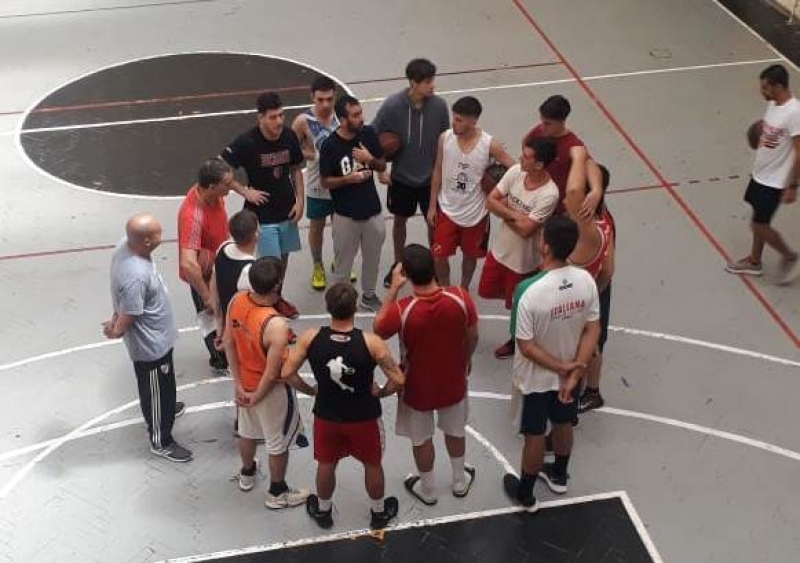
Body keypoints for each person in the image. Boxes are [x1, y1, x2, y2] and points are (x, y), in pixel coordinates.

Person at [281, 283, 406, 530]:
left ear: (328, 308)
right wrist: (380, 393)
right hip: (363, 417)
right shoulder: (372, 343)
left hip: (327, 415)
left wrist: (311, 390)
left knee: (326, 463)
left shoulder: (310, 337)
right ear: (354, 309)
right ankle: (378, 513)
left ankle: (324, 511)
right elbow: (399, 379)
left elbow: (287, 373)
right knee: (372, 464)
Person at [503, 216, 600, 513]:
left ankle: (526, 494)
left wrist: (560, 366)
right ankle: (559, 474)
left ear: (545, 246)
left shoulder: (529, 291)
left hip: (535, 378)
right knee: (563, 421)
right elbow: (592, 329)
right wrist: (575, 370)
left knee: (533, 435)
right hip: (570, 374)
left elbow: (525, 345)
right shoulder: (586, 280)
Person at [374, 244, 479, 506]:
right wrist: (466, 358)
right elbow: (472, 335)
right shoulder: (461, 297)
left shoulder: (402, 309)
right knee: (456, 431)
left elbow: (378, 328)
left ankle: (428, 488)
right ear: (434, 268)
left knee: (421, 438)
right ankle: (458, 481)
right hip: (453, 379)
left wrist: (393, 288)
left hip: (416, 386)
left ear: (405, 274)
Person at [104, 214, 191, 463]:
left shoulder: (126, 246)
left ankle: (165, 406)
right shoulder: (135, 275)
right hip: (150, 346)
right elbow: (129, 313)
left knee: (163, 383)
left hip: (159, 337)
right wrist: (116, 328)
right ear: (145, 241)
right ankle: (161, 438)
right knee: (154, 387)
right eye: (157, 234)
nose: (161, 236)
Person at [224, 257, 309, 509]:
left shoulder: (236, 301)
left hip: (245, 383)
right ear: (277, 285)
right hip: (269, 393)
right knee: (276, 442)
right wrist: (257, 395)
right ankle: (277, 492)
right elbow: (273, 373)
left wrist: (239, 386)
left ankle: (247, 474)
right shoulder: (276, 324)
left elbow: (228, 342)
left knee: (247, 431)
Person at [222, 91, 305, 319]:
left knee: (283, 259)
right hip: (262, 217)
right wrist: (244, 191)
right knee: (269, 266)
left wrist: (301, 200)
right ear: (260, 118)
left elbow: (296, 169)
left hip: (288, 212)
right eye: (272, 117)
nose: (279, 121)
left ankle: (276, 299)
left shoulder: (289, 136)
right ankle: (266, 312)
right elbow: (220, 166)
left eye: (281, 115)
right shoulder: (247, 142)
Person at [478, 137, 559, 359]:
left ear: (540, 164)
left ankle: (516, 340)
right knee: (487, 291)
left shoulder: (549, 194)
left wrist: (503, 209)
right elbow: (489, 201)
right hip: (501, 251)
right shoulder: (515, 171)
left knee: (518, 306)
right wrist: (515, 215)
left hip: (524, 262)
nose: (520, 157)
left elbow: (527, 231)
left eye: (527, 156)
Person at [372, 58, 450, 287]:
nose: (432, 85)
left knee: (433, 222)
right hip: (402, 177)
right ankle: (399, 264)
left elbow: (445, 139)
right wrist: (381, 168)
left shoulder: (439, 106)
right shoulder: (392, 105)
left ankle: (433, 265)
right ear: (413, 83)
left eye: (432, 80)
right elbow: (374, 135)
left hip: (430, 179)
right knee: (399, 222)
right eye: (427, 82)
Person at [428, 96, 515, 288]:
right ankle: (446, 287)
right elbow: (437, 170)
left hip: (476, 213)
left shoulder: (489, 144)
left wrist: (500, 189)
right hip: (447, 209)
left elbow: (515, 169)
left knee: (470, 255)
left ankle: (464, 288)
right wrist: (432, 205)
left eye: (459, 119)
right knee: (439, 256)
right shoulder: (445, 138)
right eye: (454, 117)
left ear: (473, 120)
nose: (454, 122)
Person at [726, 64, 800, 284]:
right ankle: (755, 262)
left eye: (765, 88)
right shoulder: (773, 104)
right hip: (760, 174)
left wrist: (792, 186)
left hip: (776, 182)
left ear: (778, 86)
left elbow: (799, 153)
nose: (762, 92)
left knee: (758, 224)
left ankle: (789, 256)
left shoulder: (794, 112)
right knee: (759, 217)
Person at [319, 94, 387, 312]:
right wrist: (348, 179)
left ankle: (368, 296)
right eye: (355, 115)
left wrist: (369, 159)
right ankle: (340, 304)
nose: (361, 118)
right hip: (345, 216)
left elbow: (382, 165)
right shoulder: (330, 146)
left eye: (360, 113)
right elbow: (325, 181)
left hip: (372, 212)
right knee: (342, 266)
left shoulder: (367, 134)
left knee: (372, 261)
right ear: (342, 119)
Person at [291, 76, 356, 290]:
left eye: (329, 99)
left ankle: (340, 261)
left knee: (342, 228)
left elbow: (356, 141)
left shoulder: (343, 115)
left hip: (342, 183)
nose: (325, 104)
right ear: (312, 97)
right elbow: (289, 150)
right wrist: (308, 154)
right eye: (320, 99)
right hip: (316, 185)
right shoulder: (303, 121)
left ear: (335, 95)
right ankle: (317, 265)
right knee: (316, 228)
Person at [563, 161, 616, 413]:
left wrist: (591, 294)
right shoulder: (603, 216)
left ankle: (592, 392)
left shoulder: (593, 225)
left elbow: (607, 270)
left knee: (591, 342)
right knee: (589, 340)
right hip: (594, 289)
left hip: (590, 292)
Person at [177, 157, 233, 375]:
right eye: (226, 184)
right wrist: (207, 295)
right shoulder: (193, 215)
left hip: (217, 268)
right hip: (205, 275)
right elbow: (189, 263)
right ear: (212, 187)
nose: (231, 186)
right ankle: (221, 361)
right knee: (211, 316)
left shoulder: (214, 196)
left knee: (224, 313)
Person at [523, 95, 602, 216]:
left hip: (557, 207)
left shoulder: (573, 145)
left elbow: (590, 165)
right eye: (542, 121)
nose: (542, 127)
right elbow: (525, 142)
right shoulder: (539, 131)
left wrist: (596, 190)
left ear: (562, 121)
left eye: (548, 124)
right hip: (535, 200)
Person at [210, 209, 259, 344]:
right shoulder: (250, 270)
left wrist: (220, 329)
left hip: (226, 323)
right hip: (242, 331)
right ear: (256, 235)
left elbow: (214, 291)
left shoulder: (223, 247)